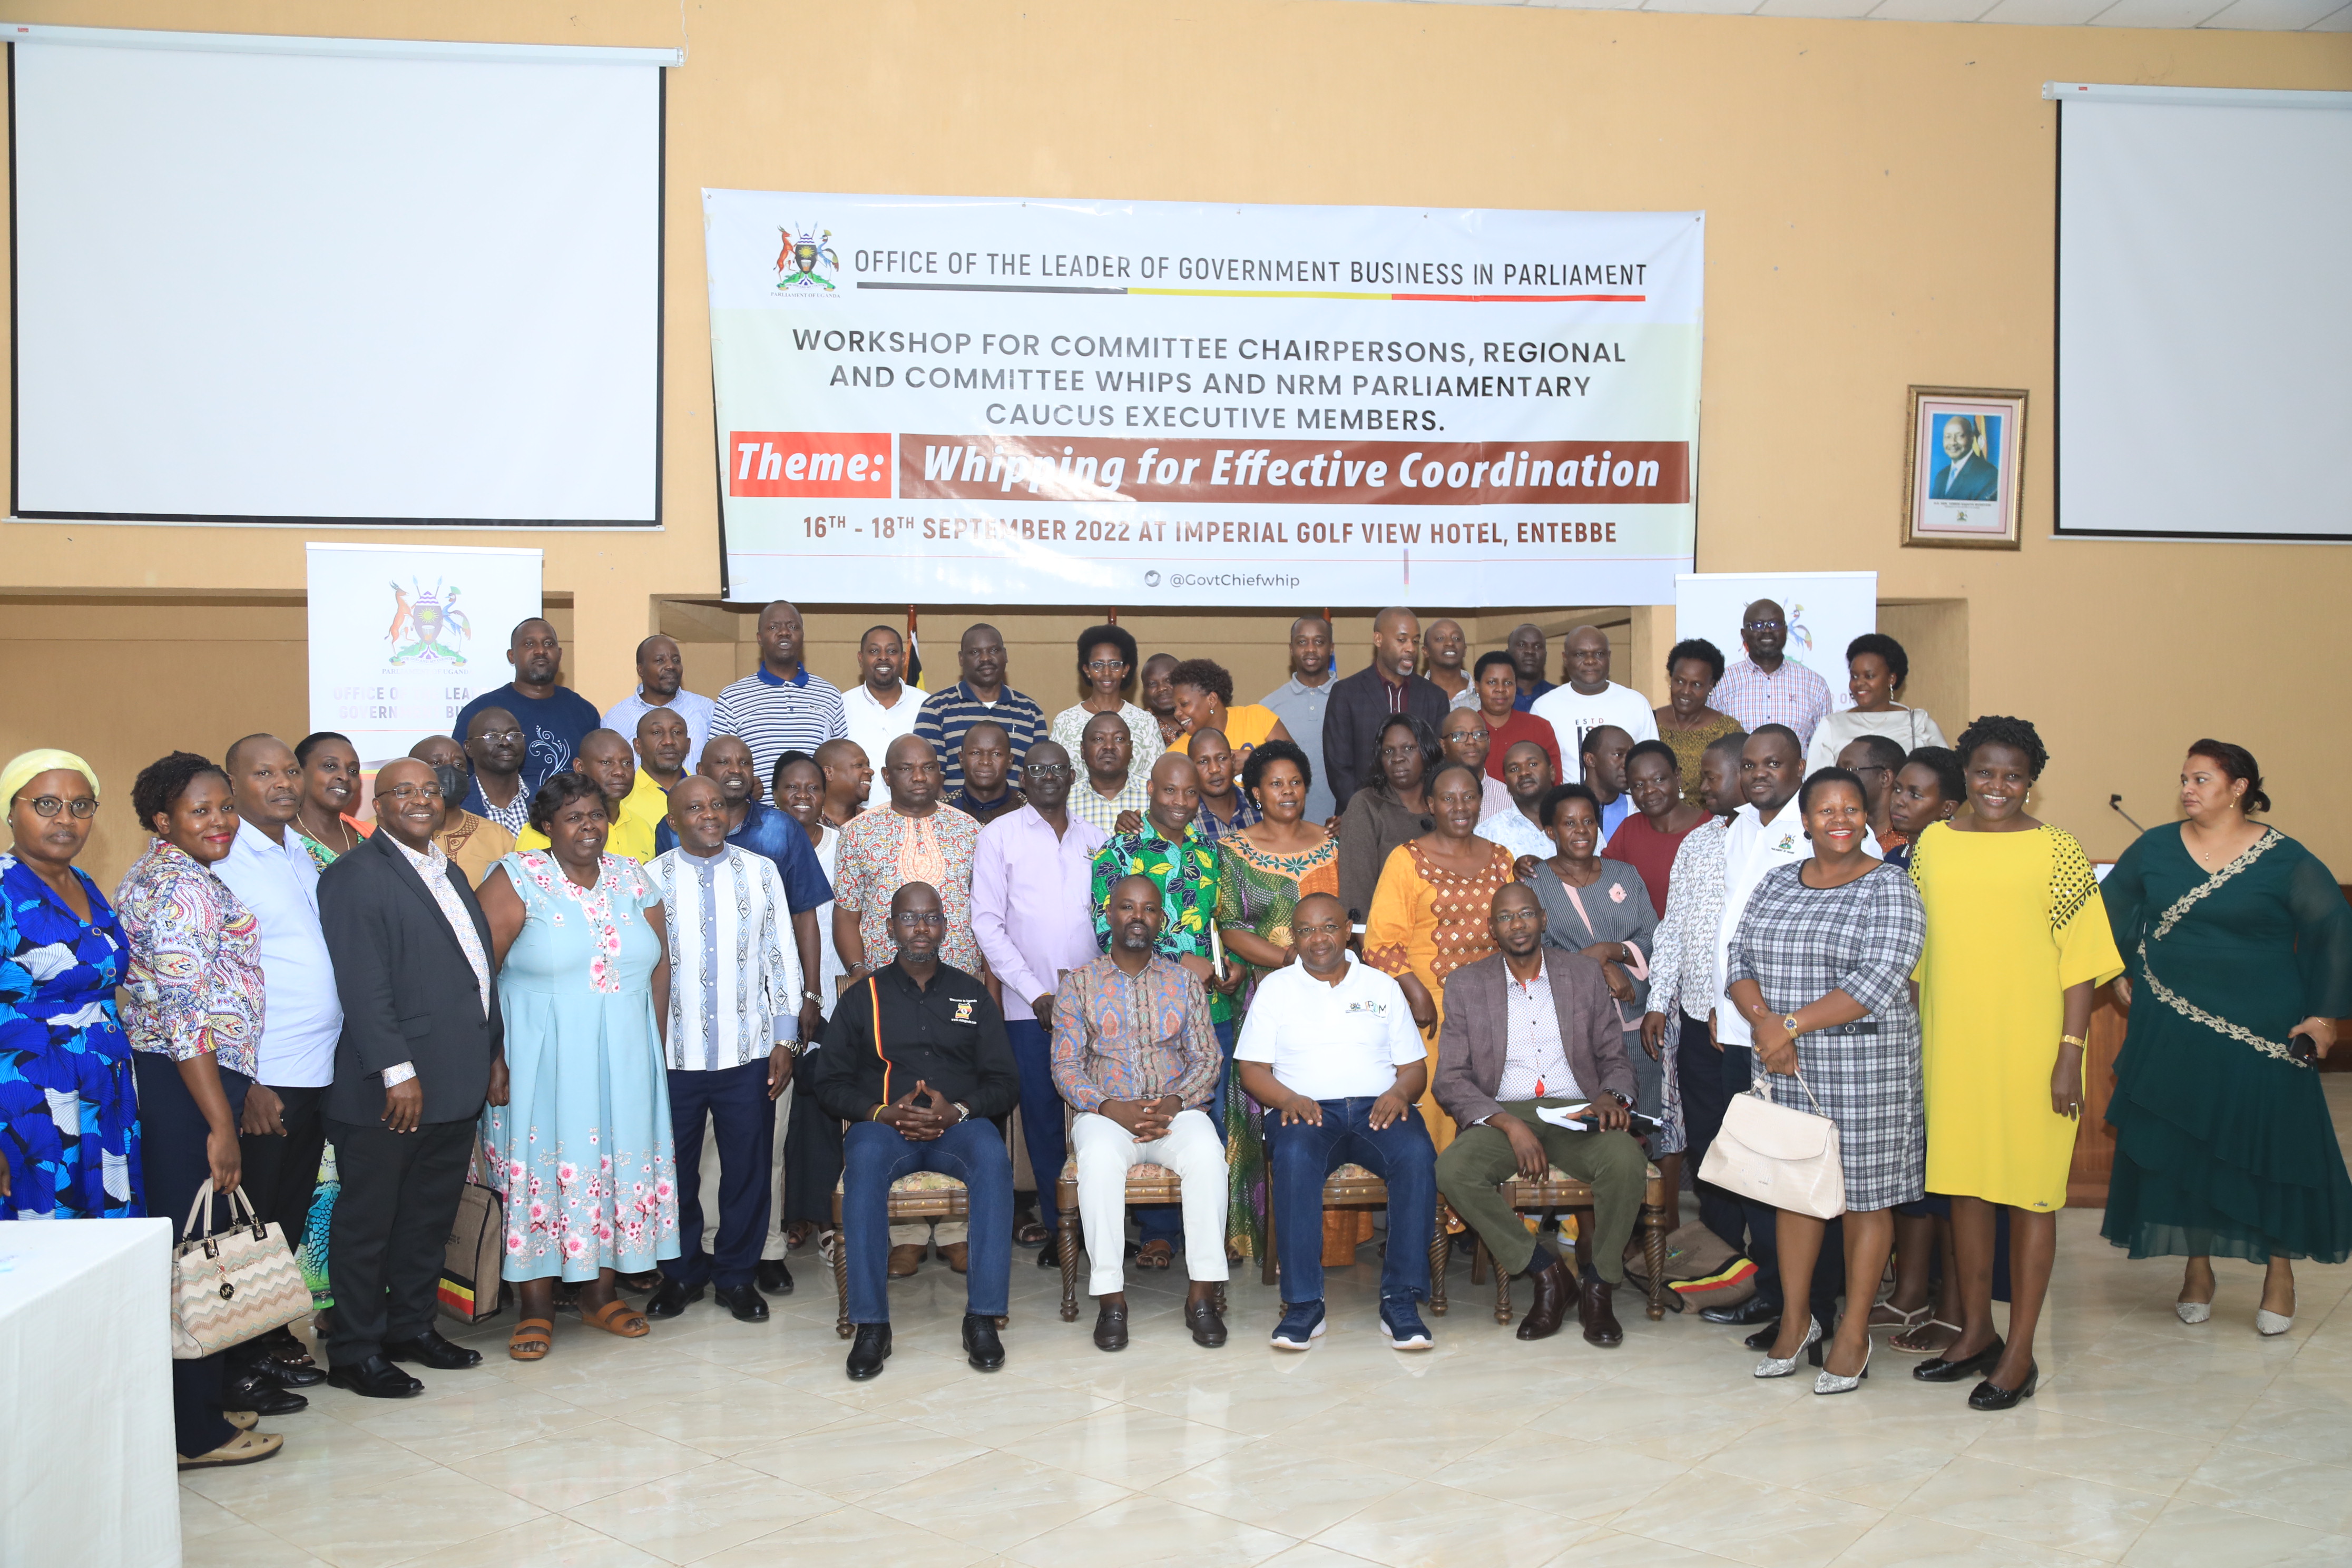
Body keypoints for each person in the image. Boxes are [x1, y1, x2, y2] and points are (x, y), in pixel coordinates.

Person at [2101, 741, 2352, 1335]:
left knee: (2272, 1144)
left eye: (2203, 778)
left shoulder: (2282, 857)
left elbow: (2331, 925)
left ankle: (2280, 1273)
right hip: (2174, 1023)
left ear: (2239, 787)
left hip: (2262, 1025)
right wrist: (2117, 970)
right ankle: (2198, 1268)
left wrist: (2324, 1017)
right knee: (2193, 1141)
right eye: (2185, 778)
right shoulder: (2155, 847)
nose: (2188, 788)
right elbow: (2109, 906)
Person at [1907, 716, 2121, 1409]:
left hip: (2035, 1051)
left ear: (2031, 782)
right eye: (1985, 773)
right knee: (1966, 1191)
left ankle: (2021, 1353)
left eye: (2013, 775)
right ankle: (1976, 1334)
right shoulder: (1933, 844)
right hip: (1953, 1047)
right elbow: (1914, 949)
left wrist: (2071, 1054)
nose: (1998, 786)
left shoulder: (2057, 851)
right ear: (1964, 775)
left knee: (2031, 1196)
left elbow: (2083, 965)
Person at [1723, 766, 1928, 1391]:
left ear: (1868, 817)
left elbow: (1879, 980)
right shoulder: (1778, 882)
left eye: (1852, 808)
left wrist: (1786, 1024)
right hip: (1786, 1064)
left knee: (1865, 1200)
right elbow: (1740, 958)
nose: (1839, 819)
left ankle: (1854, 1330)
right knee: (1795, 1195)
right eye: (1825, 810)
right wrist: (1765, 1027)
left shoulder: (1890, 889)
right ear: (1805, 821)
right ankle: (1797, 1321)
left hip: (1868, 1068)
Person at [477, 771, 679, 1361]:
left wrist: (654, 1047)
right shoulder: (517, 879)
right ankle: (535, 1308)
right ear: (546, 826)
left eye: (596, 815)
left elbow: (659, 968)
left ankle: (601, 1295)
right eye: (573, 817)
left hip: (625, 1056)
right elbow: (478, 975)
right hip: (542, 1060)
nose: (588, 827)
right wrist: (491, 1056)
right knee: (541, 1172)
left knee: (614, 1169)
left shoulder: (632, 879)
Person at [315, 758, 501, 1397]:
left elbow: (475, 974)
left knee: (427, 1216)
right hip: (390, 1090)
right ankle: (355, 1350)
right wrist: (398, 1071)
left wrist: (491, 1054)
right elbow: (363, 986)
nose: (421, 800)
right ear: (378, 803)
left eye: (430, 790)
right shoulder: (354, 877)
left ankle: (410, 1328)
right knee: (371, 1223)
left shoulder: (446, 870)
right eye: (404, 792)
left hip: (455, 1080)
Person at [117, 752, 277, 1468]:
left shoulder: (173, 875)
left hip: (195, 1079)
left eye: (225, 808)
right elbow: (184, 1017)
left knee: (199, 1246)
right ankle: (195, 1434)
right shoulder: (180, 889)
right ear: (162, 820)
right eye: (200, 811)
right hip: (187, 1086)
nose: (220, 822)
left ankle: (201, 1404)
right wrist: (220, 1121)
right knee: (194, 1256)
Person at [1711, 726, 1878, 1340]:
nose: (1759, 774)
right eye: (1750, 764)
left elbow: (1869, 970)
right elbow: (1740, 941)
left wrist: (1784, 1026)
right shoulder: (1740, 831)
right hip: (1748, 1032)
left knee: (1821, 1180)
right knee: (1769, 1173)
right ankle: (1780, 1300)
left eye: (1774, 764)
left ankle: (1820, 1311)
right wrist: (1744, 1015)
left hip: (1826, 1047)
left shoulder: (1859, 856)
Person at [815, 883, 1020, 1380]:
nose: (921, 928)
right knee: (861, 1162)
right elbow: (828, 1083)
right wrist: (881, 1113)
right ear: (889, 929)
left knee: (993, 1160)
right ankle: (871, 1326)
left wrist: (961, 1111)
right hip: (885, 1128)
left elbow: (1006, 1082)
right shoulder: (863, 997)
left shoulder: (971, 993)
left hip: (957, 1129)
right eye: (909, 918)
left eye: (931, 918)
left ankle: (982, 1317)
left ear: (945, 928)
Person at [1434, 884, 1652, 1346]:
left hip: (1578, 1110)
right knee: (1454, 1169)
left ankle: (1598, 1285)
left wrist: (1613, 1095)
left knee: (1625, 1161)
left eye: (1527, 914)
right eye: (1507, 918)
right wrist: (1509, 1124)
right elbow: (1450, 1079)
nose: (1518, 925)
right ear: (1493, 928)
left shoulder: (1582, 975)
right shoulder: (1466, 984)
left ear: (1544, 919)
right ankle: (1548, 1274)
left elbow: (1614, 1055)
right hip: (1504, 1113)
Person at [1237, 891, 1438, 1352]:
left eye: (1328, 926)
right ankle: (1304, 1303)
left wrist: (1399, 1092)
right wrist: (1287, 1098)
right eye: (1305, 930)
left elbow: (1414, 1068)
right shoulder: (1276, 989)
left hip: (1379, 1107)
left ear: (1348, 930)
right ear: (1295, 937)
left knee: (1416, 1154)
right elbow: (1251, 1069)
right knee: (1291, 1156)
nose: (1318, 939)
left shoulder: (1382, 986)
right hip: (1304, 1110)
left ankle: (1400, 1298)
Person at [642, 776, 800, 1325]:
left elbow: (782, 956)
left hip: (749, 1052)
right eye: (694, 808)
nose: (709, 815)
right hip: (672, 1056)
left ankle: (737, 1276)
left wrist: (786, 1038)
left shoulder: (761, 872)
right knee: (675, 1173)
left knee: (748, 1170)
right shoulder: (648, 881)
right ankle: (682, 1274)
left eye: (715, 805)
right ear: (673, 820)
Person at [214, 736, 342, 1410]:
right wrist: (246, 1081)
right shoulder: (225, 859)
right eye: (263, 773)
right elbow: (214, 980)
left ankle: (263, 1346)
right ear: (232, 784)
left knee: (284, 1221)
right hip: (268, 1076)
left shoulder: (299, 851)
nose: (284, 782)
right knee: (249, 1226)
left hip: (319, 1068)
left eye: (290, 770)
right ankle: (236, 1364)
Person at [831, 736, 985, 1275]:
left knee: (954, 1092)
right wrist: (858, 976)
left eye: (927, 768)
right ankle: (908, 1235)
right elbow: (846, 914)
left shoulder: (969, 830)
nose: (918, 777)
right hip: (886, 997)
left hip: (958, 988)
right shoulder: (858, 833)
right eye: (906, 769)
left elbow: (984, 911)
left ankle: (958, 1230)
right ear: (887, 775)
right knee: (896, 1100)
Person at [1055, 875, 1230, 1350]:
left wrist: (1173, 1104)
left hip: (1176, 1109)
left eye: (1149, 909)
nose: (1138, 917)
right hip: (1107, 1114)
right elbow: (1066, 1067)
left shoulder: (1184, 983)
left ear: (1162, 919)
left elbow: (1207, 1059)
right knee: (1098, 1161)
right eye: (1128, 907)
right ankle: (1112, 1299)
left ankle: (1202, 1295)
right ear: (1110, 915)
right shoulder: (1079, 985)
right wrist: (1113, 1108)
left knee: (1208, 1155)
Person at [971, 740, 1106, 1259]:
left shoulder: (1098, 841)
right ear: (1022, 779)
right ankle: (1060, 1229)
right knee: (1045, 1122)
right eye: (1037, 769)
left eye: (1058, 769)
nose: (1048, 776)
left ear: (1073, 776)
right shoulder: (999, 837)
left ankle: (1102, 1226)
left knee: (1097, 1116)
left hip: (1096, 1006)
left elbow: (1109, 922)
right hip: (1027, 1008)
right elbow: (988, 923)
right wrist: (1036, 993)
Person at [1213, 739, 1339, 1264]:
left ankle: (1327, 1239)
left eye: (1296, 781)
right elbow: (1229, 926)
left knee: (1327, 1097)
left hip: (1331, 1000)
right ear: (1257, 792)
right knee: (1253, 1110)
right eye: (1275, 783)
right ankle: (1252, 1236)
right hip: (1263, 998)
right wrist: (1290, 962)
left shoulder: (1334, 846)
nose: (1288, 791)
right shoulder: (1234, 849)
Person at [0, 750, 139, 1224]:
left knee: (106, 1245)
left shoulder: (83, 882)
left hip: (105, 1086)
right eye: (46, 804)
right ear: (11, 812)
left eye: (81, 806)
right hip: (28, 1100)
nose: (66, 818)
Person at [1365, 760, 1518, 1152]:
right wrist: (1416, 994)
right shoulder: (1406, 859)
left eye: (1469, 797)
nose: (1460, 806)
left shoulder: (1503, 859)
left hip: (1495, 1007)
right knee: (1434, 1109)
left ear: (1482, 802)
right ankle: (1434, 1207)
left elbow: (1518, 929)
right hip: (1430, 1010)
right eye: (1448, 798)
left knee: (1494, 1107)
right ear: (1431, 805)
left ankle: (1484, 1206)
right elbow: (1381, 943)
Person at [1642, 731, 1749, 1256]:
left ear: (1745, 773)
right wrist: (1658, 1001)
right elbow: (1673, 927)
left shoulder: (1785, 842)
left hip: (1755, 1027)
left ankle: (1772, 1258)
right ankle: (1722, 1249)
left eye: (1711, 776)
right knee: (1709, 1138)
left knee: (1760, 1142)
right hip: (1695, 1018)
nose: (1703, 787)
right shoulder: (1699, 841)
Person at [648, 736, 830, 1041]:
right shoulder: (671, 830)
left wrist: (810, 994)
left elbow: (804, 915)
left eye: (745, 763)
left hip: (768, 993)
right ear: (700, 769)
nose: (736, 770)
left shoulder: (782, 828)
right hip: (689, 1002)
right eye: (723, 762)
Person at [1528, 783, 1662, 1129]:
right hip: (1576, 1027)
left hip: (1639, 1023)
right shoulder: (1534, 884)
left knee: (1649, 1119)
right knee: (1594, 1124)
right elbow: (1532, 954)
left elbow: (1654, 937)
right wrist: (1597, 967)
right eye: (1569, 823)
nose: (1581, 831)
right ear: (1550, 831)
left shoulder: (1625, 875)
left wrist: (1608, 953)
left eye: (1588, 821)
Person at [770, 749, 841, 1279]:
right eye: (792, 788)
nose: (802, 797)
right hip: (777, 999)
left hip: (836, 997)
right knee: (784, 1109)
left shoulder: (845, 844)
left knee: (822, 1100)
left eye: (812, 788)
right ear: (773, 794)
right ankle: (793, 1214)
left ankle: (823, 1215)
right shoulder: (763, 845)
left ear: (826, 793)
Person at [451, 619, 604, 801]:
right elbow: (459, 775)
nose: (541, 651)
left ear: (560, 653)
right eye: (529, 644)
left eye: (549, 644)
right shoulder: (480, 712)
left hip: (572, 819)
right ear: (512, 656)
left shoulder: (584, 711)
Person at [1323, 606, 1449, 812]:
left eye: (1415, 641)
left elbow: (1437, 764)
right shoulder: (1346, 693)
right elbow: (1339, 769)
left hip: (1422, 819)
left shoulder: (1435, 697)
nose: (1410, 648)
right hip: (1363, 817)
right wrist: (1369, 815)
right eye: (1402, 640)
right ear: (1378, 640)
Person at [711, 601, 849, 788]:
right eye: (774, 627)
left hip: (814, 813)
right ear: (760, 638)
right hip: (756, 813)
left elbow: (841, 763)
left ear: (802, 636)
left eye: (793, 627)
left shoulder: (829, 694)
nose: (784, 632)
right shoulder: (732, 697)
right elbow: (716, 764)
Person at [914, 623, 1046, 795]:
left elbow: (1040, 778)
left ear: (1005, 655)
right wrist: (958, 819)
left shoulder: (1030, 711)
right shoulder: (936, 709)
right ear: (961, 659)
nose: (986, 658)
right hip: (954, 818)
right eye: (975, 652)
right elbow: (928, 780)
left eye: (993, 651)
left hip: (1017, 819)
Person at [1336, 713, 1440, 927]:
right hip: (1385, 941)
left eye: (1409, 748)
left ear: (1427, 752)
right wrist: (1373, 957)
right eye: (1388, 751)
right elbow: (1357, 895)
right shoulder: (1366, 805)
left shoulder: (1444, 803)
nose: (1397, 758)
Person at [1804, 633, 1949, 773]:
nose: (1859, 683)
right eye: (1854, 676)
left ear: (1891, 679)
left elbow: (1945, 777)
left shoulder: (1918, 723)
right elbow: (1816, 783)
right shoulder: (1832, 726)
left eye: (1870, 676)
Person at [517, 728, 661, 863]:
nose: (620, 771)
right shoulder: (546, 829)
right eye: (606, 763)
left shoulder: (643, 828)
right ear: (580, 767)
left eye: (627, 763)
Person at [1531, 625, 1658, 773]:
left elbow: (1652, 764)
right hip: (1566, 796)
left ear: (1609, 657)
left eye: (1599, 654)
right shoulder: (1544, 708)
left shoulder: (1636, 703)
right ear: (1565, 659)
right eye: (1580, 654)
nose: (1590, 661)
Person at [1605, 739, 1710, 916]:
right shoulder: (1629, 829)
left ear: (1677, 777)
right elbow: (1604, 882)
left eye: (1658, 780)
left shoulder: (1711, 828)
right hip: (1641, 940)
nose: (1649, 791)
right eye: (1639, 785)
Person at [1050, 623, 1164, 785]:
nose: (1107, 673)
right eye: (1098, 665)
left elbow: (1159, 780)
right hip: (1078, 809)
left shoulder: (1145, 722)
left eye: (1115, 664)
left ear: (1125, 670)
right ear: (1087, 670)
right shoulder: (1065, 721)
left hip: (1137, 809)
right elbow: (1056, 778)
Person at [1713, 601, 1832, 749]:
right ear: (1744, 634)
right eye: (1758, 625)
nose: (1767, 631)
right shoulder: (1721, 682)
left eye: (1775, 624)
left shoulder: (1814, 685)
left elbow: (1823, 751)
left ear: (1786, 631)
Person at [1259, 614, 1338, 824]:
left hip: (1344, 823)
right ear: (1291, 649)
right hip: (1285, 827)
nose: (1311, 649)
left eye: (1319, 642)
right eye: (1302, 642)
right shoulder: (1267, 707)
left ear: (1331, 648)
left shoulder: (1353, 699)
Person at [408, 734, 515, 887]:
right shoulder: (381, 831)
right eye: (437, 763)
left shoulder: (498, 837)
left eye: (459, 765)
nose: (450, 771)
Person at [603, 633, 715, 775]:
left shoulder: (707, 709)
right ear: (641, 670)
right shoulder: (616, 719)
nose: (670, 666)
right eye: (659, 660)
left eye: (676, 660)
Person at [839, 624, 925, 810]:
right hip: (857, 820)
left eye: (892, 651)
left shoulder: (927, 705)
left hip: (917, 815)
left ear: (903, 658)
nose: (883, 657)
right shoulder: (841, 705)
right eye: (874, 651)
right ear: (861, 659)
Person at [1654, 639, 1743, 809]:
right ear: (1670, 678)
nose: (1686, 691)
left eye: (1696, 685)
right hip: (1655, 825)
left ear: (1711, 685)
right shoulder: (1649, 720)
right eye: (1679, 681)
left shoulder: (1727, 731)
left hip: (1710, 826)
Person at [1468, 651, 1563, 783]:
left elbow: (1555, 781)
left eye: (1508, 683)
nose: (1500, 689)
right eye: (1492, 682)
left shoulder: (1539, 727)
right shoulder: (1466, 730)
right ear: (1477, 687)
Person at [1169, 657, 1290, 759]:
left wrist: (1255, 758)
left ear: (1212, 700)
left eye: (1184, 704)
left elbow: (1297, 762)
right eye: (1175, 708)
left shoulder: (1257, 717)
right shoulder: (1177, 754)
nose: (1177, 713)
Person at [291, 731, 370, 868]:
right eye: (330, 766)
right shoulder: (280, 838)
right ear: (299, 772)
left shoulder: (369, 836)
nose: (345, 777)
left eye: (353, 771)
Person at [1070, 709, 1150, 839]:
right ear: (1083, 750)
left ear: (1131, 749)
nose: (1109, 746)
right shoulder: (1066, 801)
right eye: (1098, 739)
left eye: (1119, 739)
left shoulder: (1155, 794)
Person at [1475, 739, 1557, 863]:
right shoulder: (1487, 833)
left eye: (1533, 764)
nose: (1524, 773)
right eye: (1514, 769)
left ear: (1552, 772)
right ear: (1506, 783)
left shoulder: (1577, 823)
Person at [1885, 747, 1963, 873]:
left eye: (1915, 795)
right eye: (1897, 789)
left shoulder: (1953, 863)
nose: (1898, 801)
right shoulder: (1892, 858)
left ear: (1947, 809)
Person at [459, 707, 532, 838]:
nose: (505, 743)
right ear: (469, 748)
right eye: (492, 737)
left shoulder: (548, 800)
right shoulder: (457, 805)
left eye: (514, 736)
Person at [1439, 706, 1515, 823]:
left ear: (1489, 742)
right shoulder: (1432, 797)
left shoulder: (1509, 798)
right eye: (1460, 735)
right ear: (1443, 746)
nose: (1471, 741)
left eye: (1479, 734)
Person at [1837, 735, 1910, 854]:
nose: (1837, 778)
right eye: (1837, 770)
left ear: (1885, 778)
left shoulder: (1910, 843)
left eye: (1849, 770)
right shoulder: (1836, 833)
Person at [1188, 729, 1261, 844]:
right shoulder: (1185, 820)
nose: (1214, 769)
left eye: (1222, 758)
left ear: (1233, 761)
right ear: (1191, 769)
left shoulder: (1260, 804)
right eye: (1203, 762)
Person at [947, 720, 1025, 827]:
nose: (985, 761)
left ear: (1010, 760)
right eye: (976, 753)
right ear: (961, 759)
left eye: (996, 754)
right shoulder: (940, 809)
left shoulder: (1028, 811)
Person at [1579, 724, 1638, 845]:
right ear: (1590, 760)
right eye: (1618, 755)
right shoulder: (1563, 807)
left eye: (1631, 756)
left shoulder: (1638, 807)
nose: (1627, 764)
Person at [1930, 414, 1999, 500]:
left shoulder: (1988, 474)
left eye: (1959, 436)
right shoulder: (1941, 476)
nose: (1953, 442)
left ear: (1971, 438)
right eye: (1948, 437)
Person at [632, 706, 695, 794]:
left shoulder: (705, 793)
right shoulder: (624, 797)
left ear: (688, 745)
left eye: (677, 732)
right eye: (657, 732)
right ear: (638, 745)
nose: (669, 741)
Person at [1421, 618, 1472, 705]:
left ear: (1465, 650)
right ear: (1426, 651)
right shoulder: (1414, 695)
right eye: (1440, 638)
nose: (1450, 643)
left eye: (1456, 638)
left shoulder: (1484, 694)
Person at [1506, 623, 1556, 711]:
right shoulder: (1494, 698)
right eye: (1522, 645)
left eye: (1538, 646)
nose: (1530, 651)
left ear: (1545, 655)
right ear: (1508, 653)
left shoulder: (1560, 696)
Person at [1139, 652, 1185, 749]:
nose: (1161, 688)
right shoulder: (1139, 728)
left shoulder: (1200, 720)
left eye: (1168, 680)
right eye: (1152, 684)